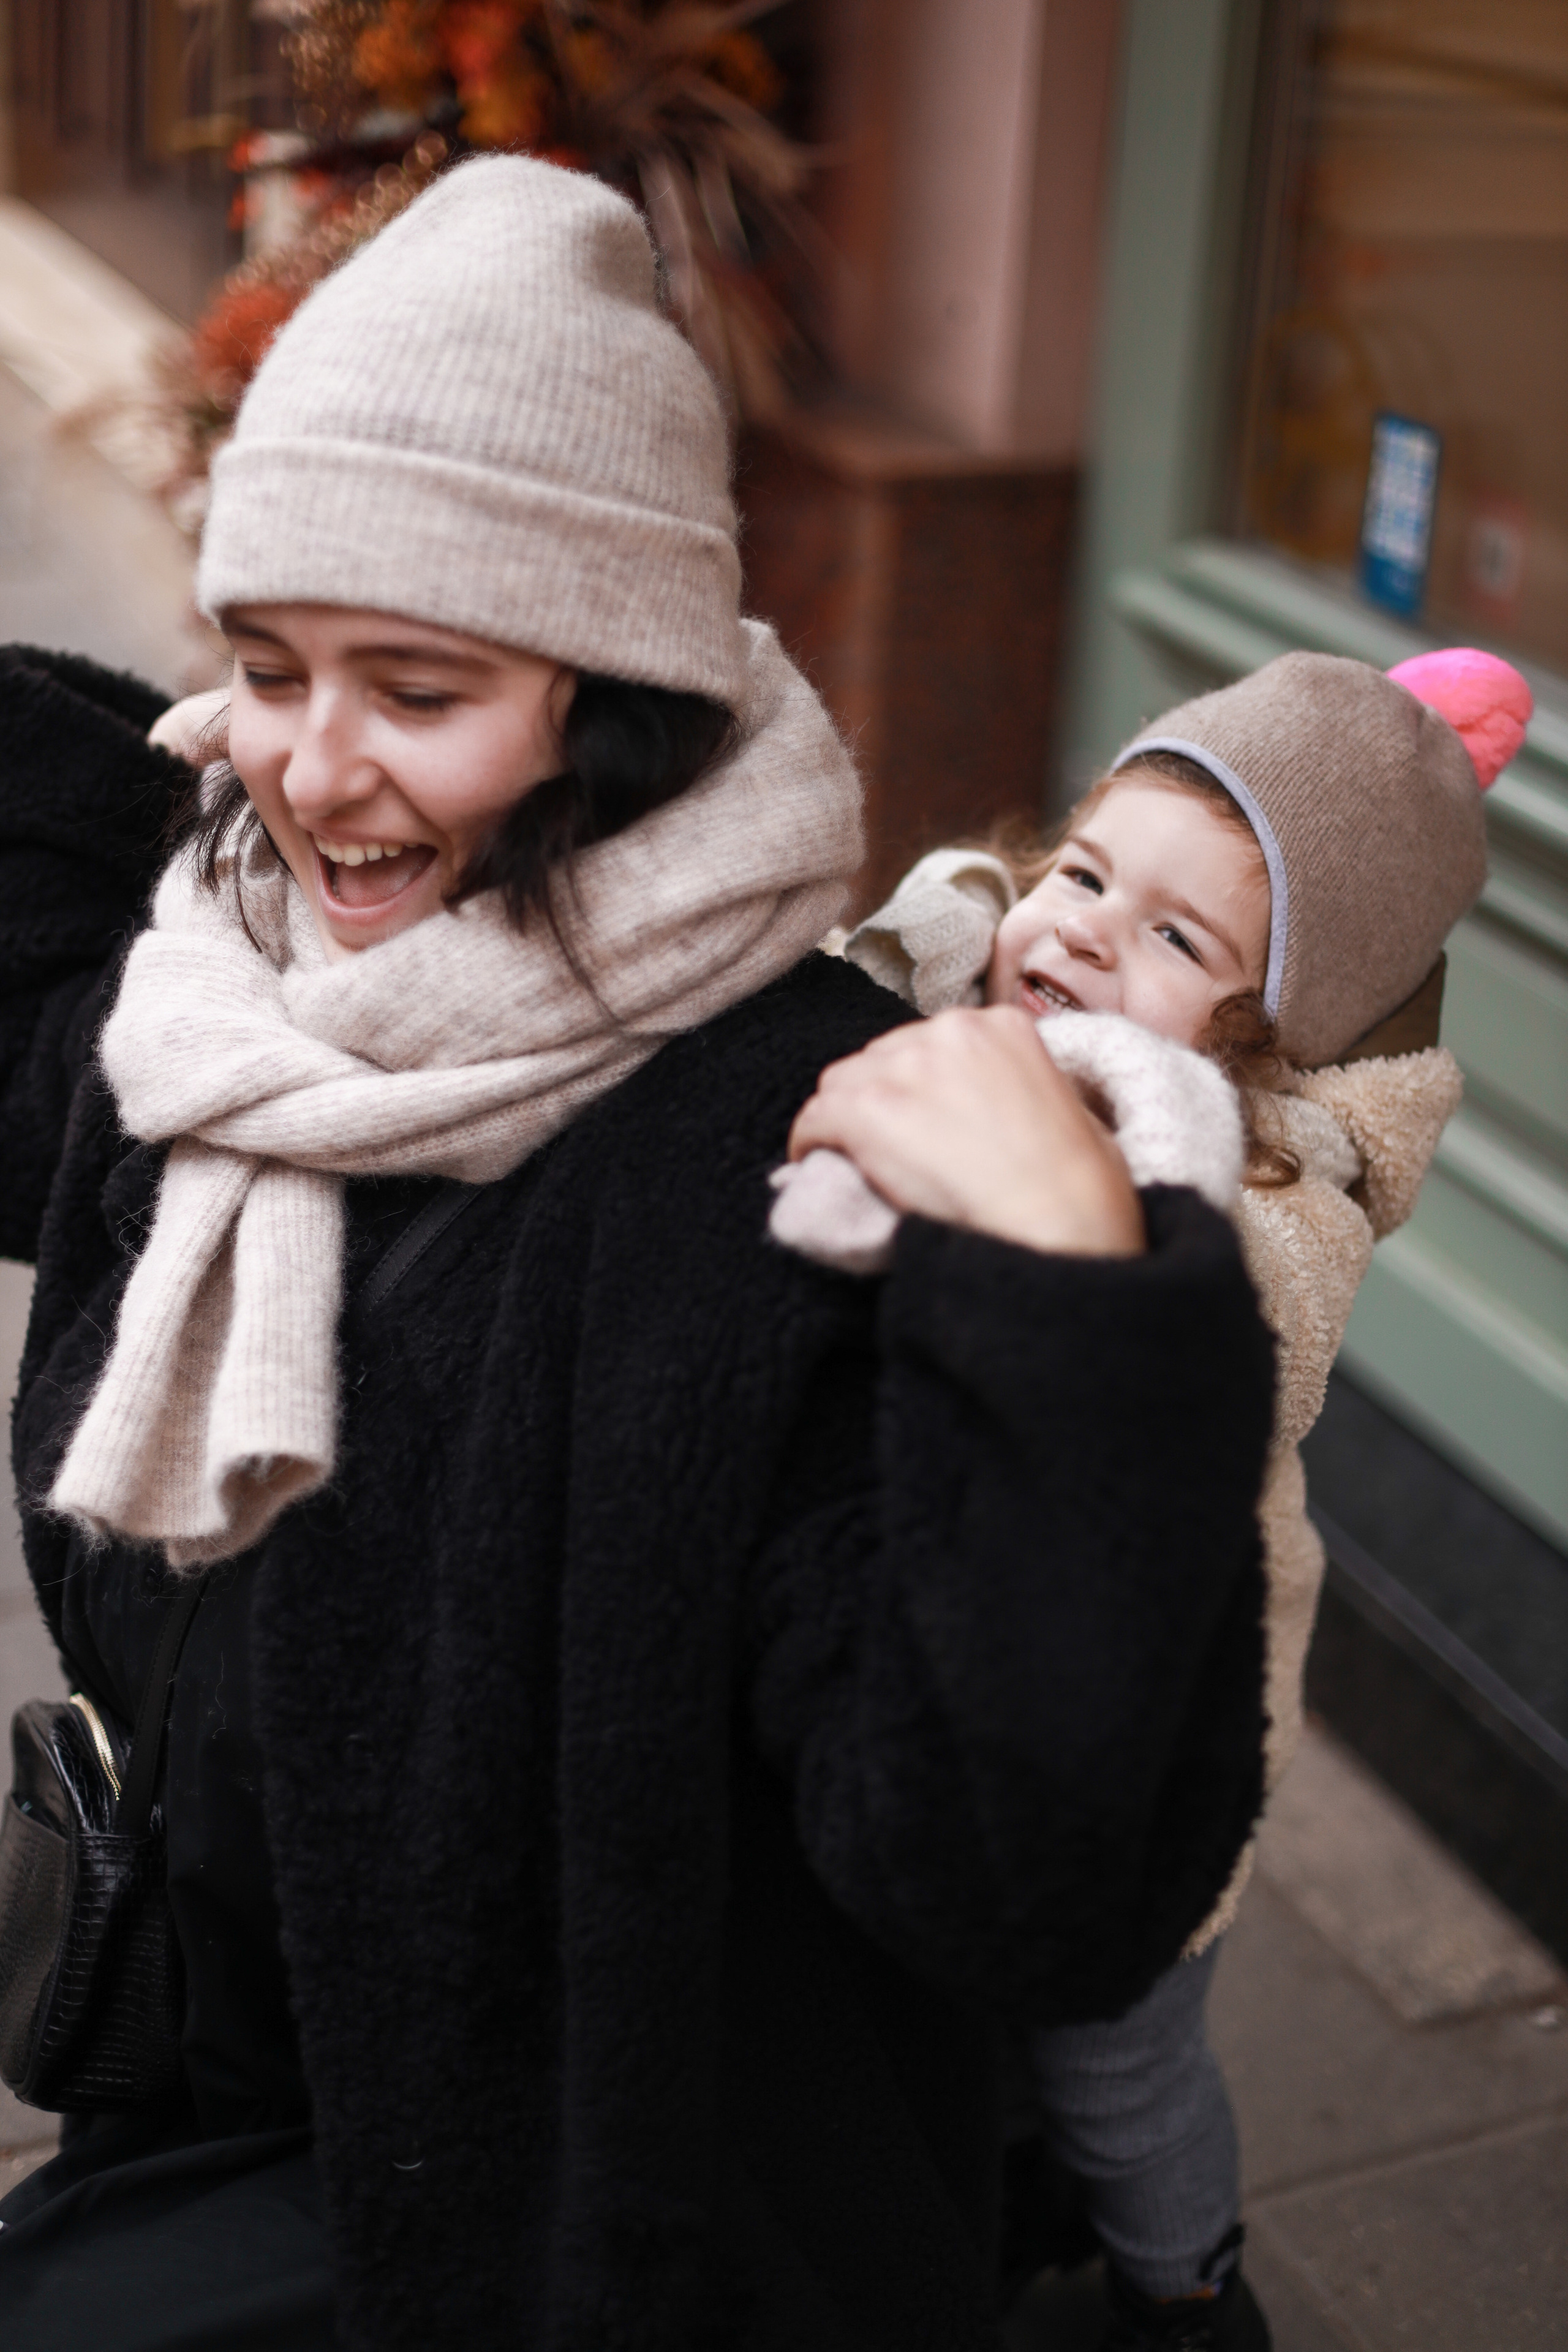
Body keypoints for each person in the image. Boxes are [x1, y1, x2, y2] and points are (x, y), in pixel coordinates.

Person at [0, 157, 1276, 2351]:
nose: (315, 774)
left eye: (417, 688)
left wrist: (1072, 1293)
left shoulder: (782, 1163)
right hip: (213, 2069)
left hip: (544, 2212)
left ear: (615, 694)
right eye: (269, 662)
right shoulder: (228, 1001)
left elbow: (1020, 1872)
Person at [775, 643, 1530, 2350]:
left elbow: (1196, 1355)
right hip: (923, 1647)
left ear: (1267, 1041)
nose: (1089, 932)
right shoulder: (981, 1002)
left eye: (1175, 939)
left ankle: (1185, 2279)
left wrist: (1053, 1199)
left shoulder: (1271, 1199)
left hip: (1137, 1728)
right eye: (1086, 874)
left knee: (1117, 2053)